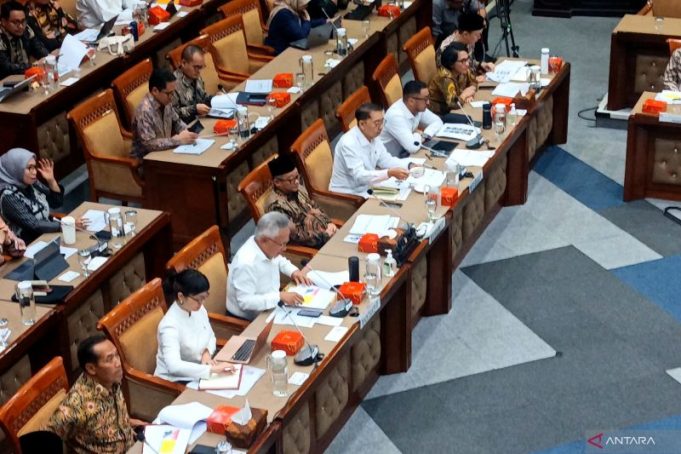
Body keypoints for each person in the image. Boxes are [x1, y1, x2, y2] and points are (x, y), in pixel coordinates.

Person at [46, 334, 146, 453]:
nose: (118, 363)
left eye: (116, 355)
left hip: (133, 445)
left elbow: (110, 418)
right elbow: (45, 441)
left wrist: (131, 422)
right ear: (91, 369)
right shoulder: (75, 407)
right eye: (109, 359)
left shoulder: (111, 379)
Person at [227, 212, 313, 321]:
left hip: (273, 305)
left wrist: (294, 271)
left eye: (286, 243)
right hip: (251, 320)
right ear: (264, 240)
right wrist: (279, 296)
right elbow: (245, 302)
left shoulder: (265, 245)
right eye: (282, 244)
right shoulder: (246, 263)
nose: (285, 248)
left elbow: (279, 260)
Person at [155, 269, 231, 383]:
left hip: (201, 368)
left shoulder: (197, 309)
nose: (201, 304)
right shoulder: (169, 326)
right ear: (181, 296)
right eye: (198, 299)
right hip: (176, 380)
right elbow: (174, 366)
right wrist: (210, 369)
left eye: (204, 298)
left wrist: (207, 352)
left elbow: (210, 335)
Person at [0, 148, 86, 243]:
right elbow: (33, 224)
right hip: (29, 243)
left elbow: (56, 202)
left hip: (49, 233)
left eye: (34, 167)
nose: (34, 172)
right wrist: (68, 226)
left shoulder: (32, 183)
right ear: (16, 169)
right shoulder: (8, 196)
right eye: (29, 168)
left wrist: (51, 181)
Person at [329, 103, 412, 196]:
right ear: (362, 124)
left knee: (406, 191)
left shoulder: (373, 135)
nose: (381, 127)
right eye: (377, 123)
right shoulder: (348, 144)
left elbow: (385, 160)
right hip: (349, 194)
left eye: (382, 122)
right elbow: (359, 176)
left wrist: (409, 165)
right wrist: (388, 173)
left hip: (367, 186)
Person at [265, 153, 336, 248]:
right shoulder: (276, 207)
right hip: (314, 246)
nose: (297, 182)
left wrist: (328, 222)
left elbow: (314, 206)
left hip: (326, 231)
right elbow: (296, 236)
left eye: (297, 177)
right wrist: (325, 235)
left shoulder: (297, 188)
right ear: (277, 182)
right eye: (291, 180)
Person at [131, 67, 198, 159]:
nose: (172, 97)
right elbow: (149, 144)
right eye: (169, 93)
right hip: (146, 161)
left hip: (164, 152)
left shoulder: (166, 102)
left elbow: (177, 121)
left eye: (173, 93)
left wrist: (187, 132)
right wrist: (176, 140)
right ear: (155, 91)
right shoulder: (144, 111)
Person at [379, 80, 444, 157]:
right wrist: (417, 134)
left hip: (408, 151)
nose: (428, 103)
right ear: (411, 101)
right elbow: (412, 147)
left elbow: (438, 121)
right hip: (393, 158)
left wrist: (425, 135)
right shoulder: (395, 116)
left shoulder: (418, 107)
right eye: (425, 99)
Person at [438, 11, 494, 81]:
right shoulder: (446, 50)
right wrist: (473, 79)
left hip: (471, 77)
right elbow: (446, 77)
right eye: (477, 35)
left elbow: (469, 62)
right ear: (465, 34)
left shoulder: (469, 40)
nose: (479, 37)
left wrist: (480, 65)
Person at [0, 1, 48, 80]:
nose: (21, 26)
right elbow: (6, 68)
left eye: (23, 21)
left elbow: (41, 51)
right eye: (15, 22)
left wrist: (46, 58)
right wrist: (34, 66)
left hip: (25, 78)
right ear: (4, 22)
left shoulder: (26, 30)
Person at [429, 42, 478, 115]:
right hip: (440, 113)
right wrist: (464, 95)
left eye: (467, 59)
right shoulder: (445, 78)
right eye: (462, 61)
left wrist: (470, 94)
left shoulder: (462, 70)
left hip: (457, 107)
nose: (467, 64)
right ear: (451, 64)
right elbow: (454, 104)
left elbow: (474, 82)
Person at [171, 45, 213, 124]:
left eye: (201, 67)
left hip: (202, 119)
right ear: (183, 63)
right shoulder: (173, 84)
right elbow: (173, 114)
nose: (198, 71)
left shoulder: (195, 75)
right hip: (186, 126)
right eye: (196, 67)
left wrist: (215, 99)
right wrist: (194, 109)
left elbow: (203, 96)